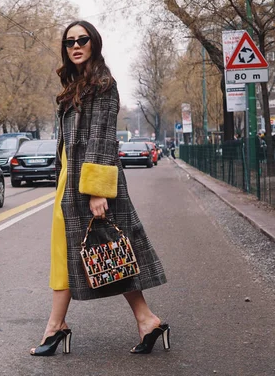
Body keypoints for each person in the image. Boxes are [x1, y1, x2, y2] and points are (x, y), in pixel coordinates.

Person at [29, 20, 169, 357]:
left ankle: (56, 327)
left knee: (107, 251)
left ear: (94, 43)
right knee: (98, 253)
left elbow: (100, 138)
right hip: (70, 181)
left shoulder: (104, 85)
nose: (75, 46)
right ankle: (146, 320)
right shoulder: (72, 88)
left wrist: (96, 191)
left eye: (82, 39)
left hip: (93, 182)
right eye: (69, 42)